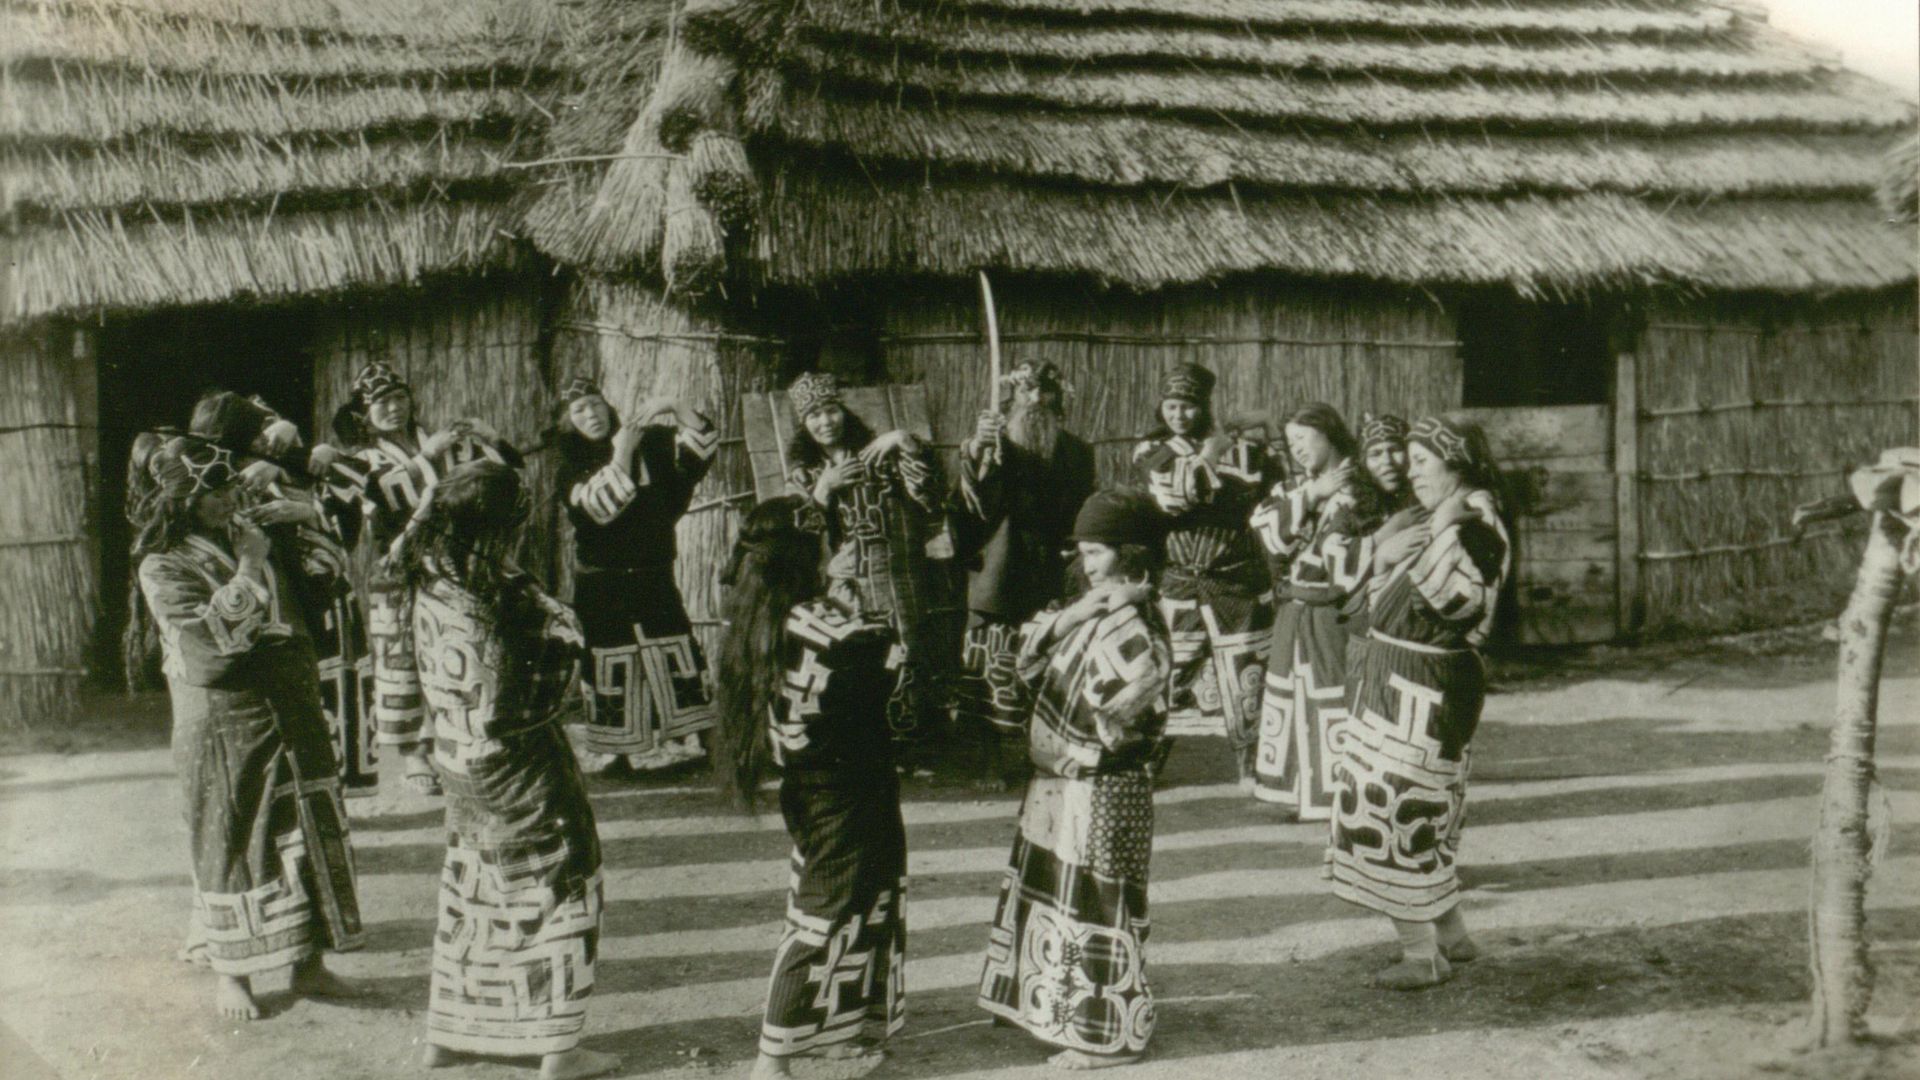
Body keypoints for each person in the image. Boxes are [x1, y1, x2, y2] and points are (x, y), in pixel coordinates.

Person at [391, 461, 617, 1080]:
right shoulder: (503, 592)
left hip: (457, 753)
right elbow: (565, 646)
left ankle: (449, 1035)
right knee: (565, 880)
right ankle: (559, 1049)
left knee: (475, 883)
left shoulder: (428, 571)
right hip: (518, 758)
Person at [129, 437, 364, 1021]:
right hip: (224, 718)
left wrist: (303, 517)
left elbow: (331, 579)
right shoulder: (162, 564)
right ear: (183, 501)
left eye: (231, 488)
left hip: (291, 699)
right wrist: (252, 564)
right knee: (233, 838)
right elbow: (213, 644)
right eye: (214, 493)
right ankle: (232, 973)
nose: (229, 500)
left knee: (307, 826)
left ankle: (308, 961)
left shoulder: (255, 532)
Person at [714, 496, 907, 1080]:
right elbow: (897, 679)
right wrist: (854, 605)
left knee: (853, 901)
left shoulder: (757, 617)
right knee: (827, 911)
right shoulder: (838, 629)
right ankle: (771, 1058)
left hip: (808, 783)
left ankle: (833, 1028)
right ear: (810, 553)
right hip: (849, 788)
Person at [977, 489, 1171, 1070]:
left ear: (1131, 554)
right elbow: (1022, 659)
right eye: (1083, 553)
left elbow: (1134, 705)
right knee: (1054, 892)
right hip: (1060, 781)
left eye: (1097, 553)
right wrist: (1077, 615)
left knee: (1097, 899)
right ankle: (1048, 1008)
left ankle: (1103, 1036)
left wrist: (1110, 619)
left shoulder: (1137, 626)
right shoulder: (1091, 611)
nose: (1087, 566)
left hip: (1104, 786)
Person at [1328, 416, 1510, 991]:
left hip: (1420, 683)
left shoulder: (1473, 522)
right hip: (1409, 676)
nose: (1412, 474)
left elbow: (1451, 601)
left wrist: (1438, 532)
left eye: (1423, 463)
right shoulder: (1454, 516)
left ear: (1456, 464)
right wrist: (1394, 554)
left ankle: (1420, 955)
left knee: (1393, 810)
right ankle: (1451, 936)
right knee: (1425, 811)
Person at [326, 361, 520, 796]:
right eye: (381, 402)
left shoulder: (441, 442)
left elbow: (504, 477)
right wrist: (426, 459)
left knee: (459, 648)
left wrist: (490, 438)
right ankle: (414, 751)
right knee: (403, 655)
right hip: (399, 566)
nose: (394, 408)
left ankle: (465, 739)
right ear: (364, 414)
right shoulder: (362, 457)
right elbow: (379, 496)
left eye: (399, 398)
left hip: (452, 564)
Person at [191, 390, 378, 795]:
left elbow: (357, 481)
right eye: (255, 436)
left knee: (328, 688)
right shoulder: (208, 476)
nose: (264, 440)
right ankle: (292, 794)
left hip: (314, 591)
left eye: (266, 433)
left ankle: (330, 789)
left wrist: (306, 504)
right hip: (264, 594)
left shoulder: (277, 459)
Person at [555, 377, 720, 773]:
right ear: (568, 421)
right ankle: (619, 752)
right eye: (579, 410)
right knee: (609, 658)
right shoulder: (571, 468)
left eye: (596, 404)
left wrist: (674, 403)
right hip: (601, 579)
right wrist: (623, 452)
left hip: (653, 571)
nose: (591, 415)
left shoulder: (653, 443)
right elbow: (599, 508)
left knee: (677, 648)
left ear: (608, 406)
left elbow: (699, 453)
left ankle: (699, 740)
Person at [951, 360, 1097, 789]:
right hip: (1000, 570)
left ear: (1058, 397)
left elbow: (1081, 511)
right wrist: (977, 452)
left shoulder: (1077, 451)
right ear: (1012, 397)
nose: (1036, 399)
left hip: (1052, 571)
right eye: (1026, 390)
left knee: (1050, 666)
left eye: (1045, 391)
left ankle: (1045, 752)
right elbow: (971, 506)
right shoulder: (993, 445)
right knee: (990, 666)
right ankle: (989, 760)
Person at [784, 371, 946, 736]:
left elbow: (931, 496)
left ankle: (908, 734)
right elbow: (797, 534)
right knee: (857, 657)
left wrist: (904, 440)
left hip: (899, 577)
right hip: (847, 585)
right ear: (804, 424)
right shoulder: (804, 476)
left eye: (831, 410)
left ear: (844, 412)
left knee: (907, 654)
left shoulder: (881, 454)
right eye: (814, 415)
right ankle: (866, 735)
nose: (825, 421)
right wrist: (823, 490)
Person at [1132, 363, 1272, 778]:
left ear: (1204, 407)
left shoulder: (1244, 450)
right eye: (1171, 406)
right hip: (1179, 579)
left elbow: (1264, 494)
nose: (1179, 414)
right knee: (1169, 670)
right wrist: (1212, 452)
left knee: (1248, 673)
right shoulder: (1152, 450)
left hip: (1235, 578)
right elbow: (1176, 498)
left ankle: (1251, 766)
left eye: (1188, 406)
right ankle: (1146, 761)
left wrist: (1261, 429)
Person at [1248, 404, 1386, 817]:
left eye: (1303, 439)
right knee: (1291, 698)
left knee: (1333, 696)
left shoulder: (1362, 486)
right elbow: (1267, 538)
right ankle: (1293, 791)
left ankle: (1335, 793)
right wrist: (1312, 494)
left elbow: (1344, 557)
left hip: (1333, 613)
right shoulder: (1297, 487)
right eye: (1290, 443)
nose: (1296, 449)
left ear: (1329, 435)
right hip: (1295, 609)